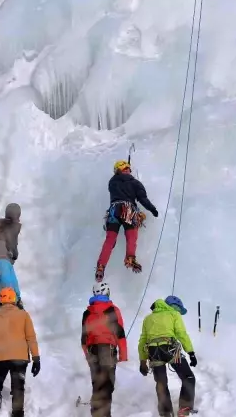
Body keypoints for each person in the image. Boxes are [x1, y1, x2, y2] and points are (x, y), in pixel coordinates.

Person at [95, 160, 158, 281]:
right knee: (131, 236)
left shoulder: (112, 182)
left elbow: (120, 182)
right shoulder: (135, 183)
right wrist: (153, 209)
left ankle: (101, 266)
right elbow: (142, 198)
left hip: (113, 211)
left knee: (110, 240)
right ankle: (130, 258)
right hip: (128, 210)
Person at [0, 287, 40, 417]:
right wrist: (36, 358)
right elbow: (31, 337)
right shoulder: (24, 315)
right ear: (14, 299)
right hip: (19, 359)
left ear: (1, 300)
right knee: (18, 387)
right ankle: (18, 413)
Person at [138, 296, 197, 417]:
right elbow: (181, 334)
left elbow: (142, 341)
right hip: (169, 349)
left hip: (153, 352)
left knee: (161, 383)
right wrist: (191, 352)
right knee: (188, 377)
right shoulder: (174, 314)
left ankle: (166, 413)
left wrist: (143, 361)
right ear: (175, 307)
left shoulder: (148, 318)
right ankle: (184, 409)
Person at [81, 282, 128, 417]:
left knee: (97, 385)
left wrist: (88, 356)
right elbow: (120, 333)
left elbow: (83, 339)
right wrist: (123, 355)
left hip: (92, 351)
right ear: (107, 293)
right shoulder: (112, 310)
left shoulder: (87, 313)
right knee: (107, 386)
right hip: (108, 350)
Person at [0, 203, 23, 311]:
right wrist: (14, 255)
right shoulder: (13, 226)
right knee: (9, 293)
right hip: (3, 261)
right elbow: (12, 245)